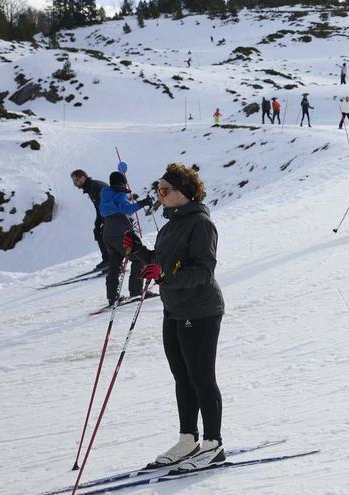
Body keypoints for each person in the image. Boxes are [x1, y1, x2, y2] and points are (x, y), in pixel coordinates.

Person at [123, 163, 226, 472]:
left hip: (201, 310)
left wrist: (165, 275)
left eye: (166, 190)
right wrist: (138, 251)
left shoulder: (201, 224)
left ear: (185, 193)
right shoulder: (170, 226)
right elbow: (162, 262)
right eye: (159, 190)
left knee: (201, 377)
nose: (161, 195)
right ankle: (188, 439)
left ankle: (213, 444)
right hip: (175, 309)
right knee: (182, 377)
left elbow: (203, 271)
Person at [99, 171, 153, 306]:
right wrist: (143, 203)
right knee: (139, 258)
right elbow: (127, 209)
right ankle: (136, 290)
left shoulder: (105, 194)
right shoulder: (120, 194)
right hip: (121, 231)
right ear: (122, 183)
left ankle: (112, 297)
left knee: (114, 264)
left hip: (107, 232)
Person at [70, 169, 109, 271]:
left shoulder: (95, 186)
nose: (75, 184)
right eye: (73, 181)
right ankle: (107, 259)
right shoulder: (91, 187)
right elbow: (98, 208)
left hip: (114, 214)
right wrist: (97, 223)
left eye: (76, 180)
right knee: (98, 232)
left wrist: (103, 222)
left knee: (104, 233)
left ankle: (112, 261)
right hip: (108, 214)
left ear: (83, 178)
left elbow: (105, 205)